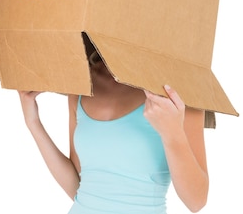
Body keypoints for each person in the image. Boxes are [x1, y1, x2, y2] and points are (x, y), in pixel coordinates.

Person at [18, 48, 208, 214]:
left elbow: (196, 201)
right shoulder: (83, 80)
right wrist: (33, 122)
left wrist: (172, 133)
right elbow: (79, 188)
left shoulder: (179, 88)